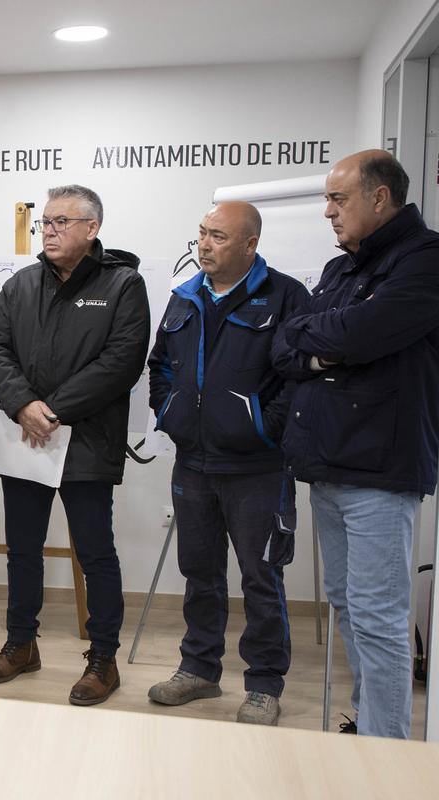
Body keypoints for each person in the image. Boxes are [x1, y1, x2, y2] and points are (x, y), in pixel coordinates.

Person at [272, 149, 439, 739]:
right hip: (328, 465)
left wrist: (325, 340)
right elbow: (287, 343)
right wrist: (325, 344)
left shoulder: (425, 259)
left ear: (378, 197)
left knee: (379, 619)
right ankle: (369, 726)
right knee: (347, 606)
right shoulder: (344, 268)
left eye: (338, 199)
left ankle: (385, 753)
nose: (327, 212)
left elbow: (364, 330)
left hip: (380, 471)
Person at [0, 184, 148, 706]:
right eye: (45, 222)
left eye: (60, 222)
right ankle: (21, 644)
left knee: (95, 553)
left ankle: (103, 660)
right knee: (22, 550)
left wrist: (53, 410)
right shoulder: (20, 285)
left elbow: (121, 361)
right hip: (25, 438)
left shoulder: (123, 285)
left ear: (92, 229)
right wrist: (24, 405)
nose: (48, 230)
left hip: (86, 441)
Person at [146, 201, 308, 725]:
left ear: (249, 245)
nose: (204, 244)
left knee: (261, 576)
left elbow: (298, 382)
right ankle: (199, 669)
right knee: (199, 572)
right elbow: (160, 367)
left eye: (217, 236)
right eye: (202, 233)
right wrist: (170, 412)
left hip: (257, 469)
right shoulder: (184, 296)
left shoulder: (285, 297)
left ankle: (263, 684)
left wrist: (261, 427)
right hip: (193, 463)